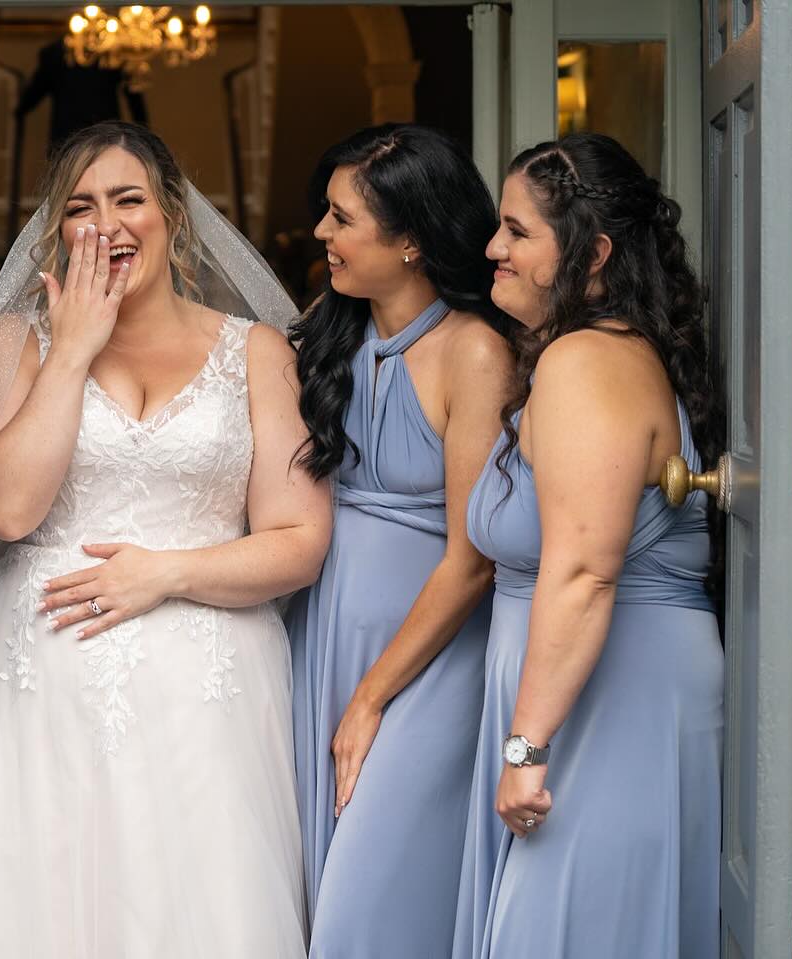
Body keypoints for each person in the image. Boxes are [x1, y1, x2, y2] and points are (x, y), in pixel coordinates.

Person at [0, 121, 329, 958]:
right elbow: (6, 510)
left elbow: (300, 537)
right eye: (80, 207)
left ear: (172, 213)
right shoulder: (12, 340)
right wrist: (71, 353)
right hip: (38, 685)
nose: (106, 224)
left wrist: (167, 574)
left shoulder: (259, 354)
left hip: (207, 691)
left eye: (129, 199)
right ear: (55, 231)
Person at [454, 132, 723, 957]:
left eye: (517, 231)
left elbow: (580, 571)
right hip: (585, 697)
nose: (493, 247)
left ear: (593, 253)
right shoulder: (583, 354)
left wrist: (527, 746)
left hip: (612, 705)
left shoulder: (586, 363)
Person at [286, 124, 514, 956]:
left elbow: (474, 555)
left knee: (366, 900)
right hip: (322, 637)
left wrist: (373, 695)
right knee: (317, 880)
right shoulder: (330, 333)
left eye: (342, 219)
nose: (322, 233)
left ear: (411, 239)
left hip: (425, 659)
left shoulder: (475, 352)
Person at [15, 37, 149, 153]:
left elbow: (33, 95)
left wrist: (17, 111)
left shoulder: (55, 53)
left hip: (81, 134)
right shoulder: (111, 50)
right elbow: (133, 94)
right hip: (86, 134)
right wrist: (144, 136)